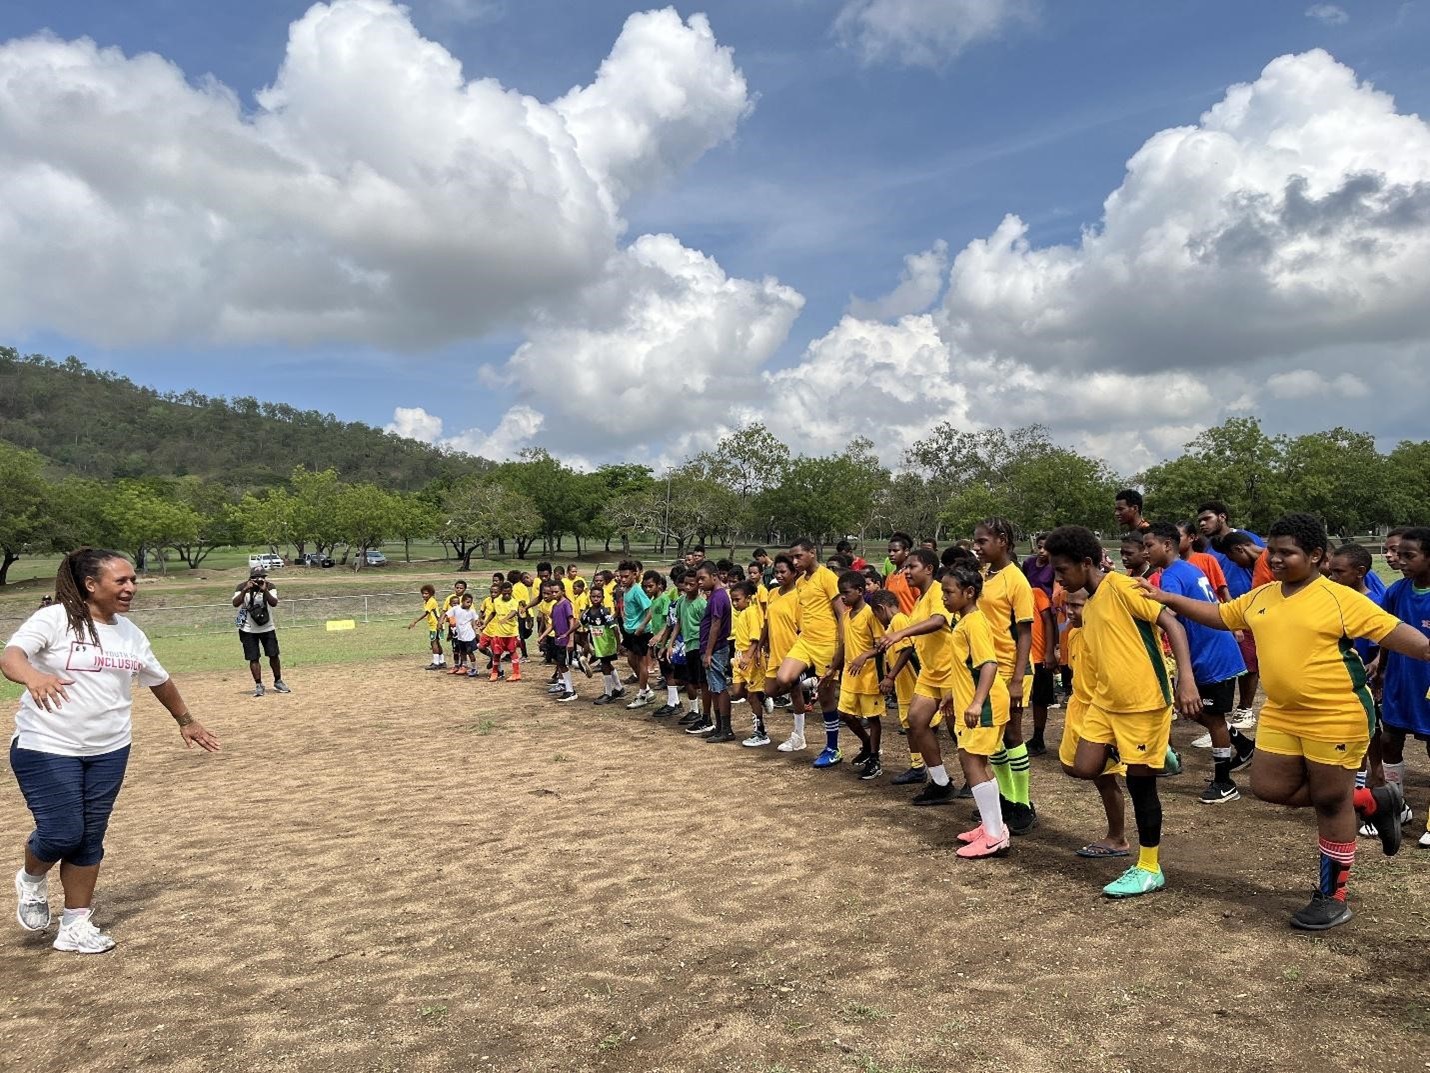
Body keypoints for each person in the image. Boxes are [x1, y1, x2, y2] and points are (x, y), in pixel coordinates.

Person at [1143, 513, 1430, 929]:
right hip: (1280, 713)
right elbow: (1221, 615)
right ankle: (1374, 801)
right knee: (1269, 787)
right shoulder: (1264, 595)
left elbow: (1402, 636)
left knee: (1331, 803)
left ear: (1315, 556)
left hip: (1336, 715)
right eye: (1272, 551)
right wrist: (1167, 599)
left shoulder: (1340, 598)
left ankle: (1333, 895)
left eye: (1285, 552)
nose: (1274, 559)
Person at [4, 548, 220, 953]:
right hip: (48, 745)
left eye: (133, 580)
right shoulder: (56, 619)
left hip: (110, 749)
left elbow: (160, 680)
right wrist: (33, 677)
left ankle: (75, 926)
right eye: (121, 580)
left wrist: (186, 720)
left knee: (89, 837)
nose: (130, 588)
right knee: (62, 831)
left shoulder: (131, 634)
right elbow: (12, 656)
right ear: (91, 584)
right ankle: (31, 878)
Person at [1044, 525, 1201, 899]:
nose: (1059, 579)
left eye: (1063, 570)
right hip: (1105, 703)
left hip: (1143, 703)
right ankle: (1157, 752)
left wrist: (1187, 680)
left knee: (1139, 783)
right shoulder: (1090, 602)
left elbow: (1172, 624)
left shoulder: (1123, 588)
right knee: (1080, 766)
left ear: (1086, 563)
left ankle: (1149, 867)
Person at [1142, 523, 1253, 803]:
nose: (1146, 552)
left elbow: (1169, 618)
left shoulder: (1171, 577)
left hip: (1213, 655)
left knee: (1213, 718)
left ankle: (1224, 781)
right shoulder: (1187, 568)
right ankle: (1242, 744)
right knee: (1191, 708)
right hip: (1211, 651)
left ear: (1167, 545)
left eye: (1149, 546)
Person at [938, 565, 1013, 859]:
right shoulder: (963, 621)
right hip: (974, 701)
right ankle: (992, 825)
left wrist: (976, 702)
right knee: (978, 762)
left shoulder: (975, 623)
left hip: (986, 705)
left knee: (970, 761)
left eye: (949, 592)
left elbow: (989, 664)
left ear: (969, 593)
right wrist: (953, 694)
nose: (943, 597)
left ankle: (994, 836)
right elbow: (966, 666)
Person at [872, 549, 958, 804]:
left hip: (951, 673)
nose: (906, 571)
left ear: (929, 568)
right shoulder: (920, 599)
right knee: (916, 721)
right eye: (906, 567)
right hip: (930, 674)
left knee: (959, 734)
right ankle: (941, 782)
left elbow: (938, 620)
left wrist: (901, 633)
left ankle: (984, 782)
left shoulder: (940, 591)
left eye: (912, 566)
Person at [972, 518, 1038, 835]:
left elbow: (1024, 632)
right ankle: (1005, 799)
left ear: (1002, 540)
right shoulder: (984, 576)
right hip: (988, 665)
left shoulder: (1017, 581)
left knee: (1012, 733)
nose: (977, 547)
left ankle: (1022, 804)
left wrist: (1015, 679)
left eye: (983, 541)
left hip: (1012, 667)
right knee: (994, 734)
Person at [1058, 587, 1131, 859]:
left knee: (1104, 778)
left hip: (1101, 713)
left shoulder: (1106, 634)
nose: (1070, 611)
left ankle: (1117, 838)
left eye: (1077, 606)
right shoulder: (1074, 632)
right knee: (1071, 766)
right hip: (1079, 708)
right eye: (1068, 605)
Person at [1377, 527, 1430, 849]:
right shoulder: (1397, 591)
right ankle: (1397, 805)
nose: (1401, 560)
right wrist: (1380, 670)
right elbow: (1385, 632)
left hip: (1427, 686)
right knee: (1389, 740)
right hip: (1400, 681)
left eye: (1409, 556)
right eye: (1400, 554)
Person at [771, 539, 845, 768]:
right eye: (792, 558)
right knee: (783, 679)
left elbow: (842, 614)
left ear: (812, 553)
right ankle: (810, 677)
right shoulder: (801, 581)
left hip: (826, 643)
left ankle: (833, 748)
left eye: (798, 557)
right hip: (805, 641)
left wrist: (841, 648)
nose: (795, 562)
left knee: (826, 699)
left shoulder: (828, 577)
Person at [833, 571, 881, 778]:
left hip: (869, 675)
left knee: (872, 718)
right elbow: (844, 645)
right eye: (840, 594)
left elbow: (882, 644)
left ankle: (874, 759)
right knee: (845, 713)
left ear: (860, 591)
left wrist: (865, 656)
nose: (843, 597)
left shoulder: (871, 614)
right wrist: (832, 668)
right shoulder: (845, 615)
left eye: (846, 593)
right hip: (849, 675)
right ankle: (867, 743)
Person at [761, 555, 807, 751]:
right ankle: (808, 682)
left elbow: (802, 628)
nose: (779, 575)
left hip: (792, 651)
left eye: (783, 572)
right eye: (776, 572)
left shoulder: (799, 597)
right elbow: (767, 622)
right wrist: (760, 645)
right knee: (770, 690)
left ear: (794, 573)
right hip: (775, 651)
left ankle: (799, 736)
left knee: (793, 689)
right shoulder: (773, 593)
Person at [232, 567, 290, 695]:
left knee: (273, 654)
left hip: (267, 627)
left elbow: (274, 603)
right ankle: (258, 684)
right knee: (253, 657)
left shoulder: (270, 586)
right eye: (256, 578)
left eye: (262, 577)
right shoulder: (242, 586)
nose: (259, 580)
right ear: (250, 578)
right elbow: (235, 603)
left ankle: (278, 681)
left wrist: (265, 590)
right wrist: (245, 590)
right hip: (247, 629)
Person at [696, 562, 735, 743]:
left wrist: (709, 651)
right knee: (714, 688)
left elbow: (716, 625)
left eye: (702, 578)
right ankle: (719, 726)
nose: (699, 582)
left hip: (716, 649)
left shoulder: (719, 597)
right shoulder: (714, 596)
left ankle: (726, 729)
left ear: (714, 576)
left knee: (719, 688)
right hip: (710, 648)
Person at [729, 582, 770, 746]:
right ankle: (762, 696)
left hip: (750, 658)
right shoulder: (742, 613)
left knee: (752, 695)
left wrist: (748, 656)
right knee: (737, 691)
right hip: (739, 657)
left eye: (737, 599)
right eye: (732, 600)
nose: (734, 603)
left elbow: (755, 638)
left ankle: (760, 732)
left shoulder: (752, 613)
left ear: (748, 598)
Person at [617, 560, 654, 709]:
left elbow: (650, 609)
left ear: (634, 574)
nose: (623, 579)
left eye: (626, 576)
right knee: (631, 660)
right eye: (621, 576)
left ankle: (642, 695)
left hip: (641, 633)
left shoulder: (638, 590)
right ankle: (646, 689)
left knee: (641, 662)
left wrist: (642, 625)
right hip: (630, 631)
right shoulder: (626, 590)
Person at [582, 586, 625, 704]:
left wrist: (618, 644)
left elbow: (615, 628)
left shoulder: (604, 612)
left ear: (603, 598)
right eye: (593, 596)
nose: (595, 599)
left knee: (605, 666)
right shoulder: (587, 613)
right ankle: (619, 688)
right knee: (608, 665)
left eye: (598, 596)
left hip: (607, 644)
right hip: (599, 645)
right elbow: (581, 624)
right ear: (589, 597)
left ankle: (608, 693)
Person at [484, 581, 522, 683]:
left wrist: (505, 618)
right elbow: (492, 613)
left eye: (508, 593)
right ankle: (495, 673)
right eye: (504, 593)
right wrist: (485, 623)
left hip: (511, 632)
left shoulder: (514, 601)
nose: (506, 595)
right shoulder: (496, 601)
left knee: (512, 652)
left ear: (511, 591)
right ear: (501, 592)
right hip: (498, 632)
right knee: (496, 653)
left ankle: (516, 673)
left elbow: (513, 612)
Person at [406, 584, 445, 670]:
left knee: (434, 642)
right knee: (437, 643)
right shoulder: (427, 601)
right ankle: (441, 661)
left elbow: (426, 613)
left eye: (426, 593)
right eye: (423, 593)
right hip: (436, 624)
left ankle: (436, 663)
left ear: (431, 594)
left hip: (436, 625)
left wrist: (415, 621)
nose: (424, 595)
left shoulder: (431, 601)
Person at [884, 533, 918, 614]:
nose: (891, 554)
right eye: (889, 551)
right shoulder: (890, 577)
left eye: (895, 551)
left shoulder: (912, 575)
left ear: (906, 552)